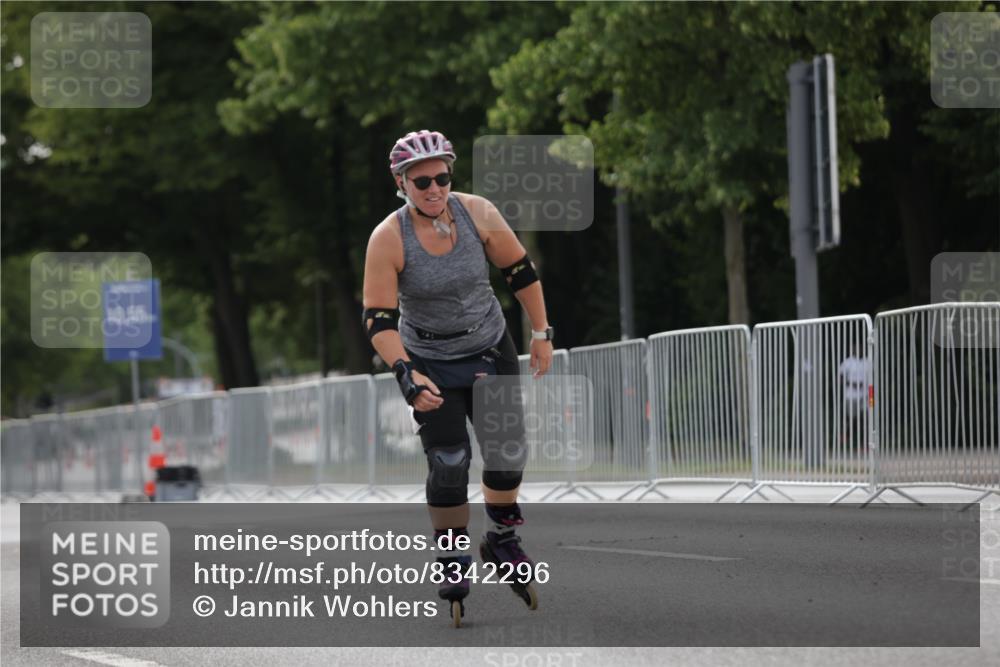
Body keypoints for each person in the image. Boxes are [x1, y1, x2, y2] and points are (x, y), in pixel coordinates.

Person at [361, 130, 554, 622]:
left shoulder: (477, 213)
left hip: (489, 346)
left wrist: (540, 332)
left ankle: (503, 540)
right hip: (429, 359)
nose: (433, 188)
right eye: (421, 181)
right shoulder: (388, 237)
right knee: (449, 460)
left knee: (508, 452)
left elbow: (520, 272)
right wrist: (405, 373)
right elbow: (378, 319)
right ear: (401, 183)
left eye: (442, 177)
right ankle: (451, 554)